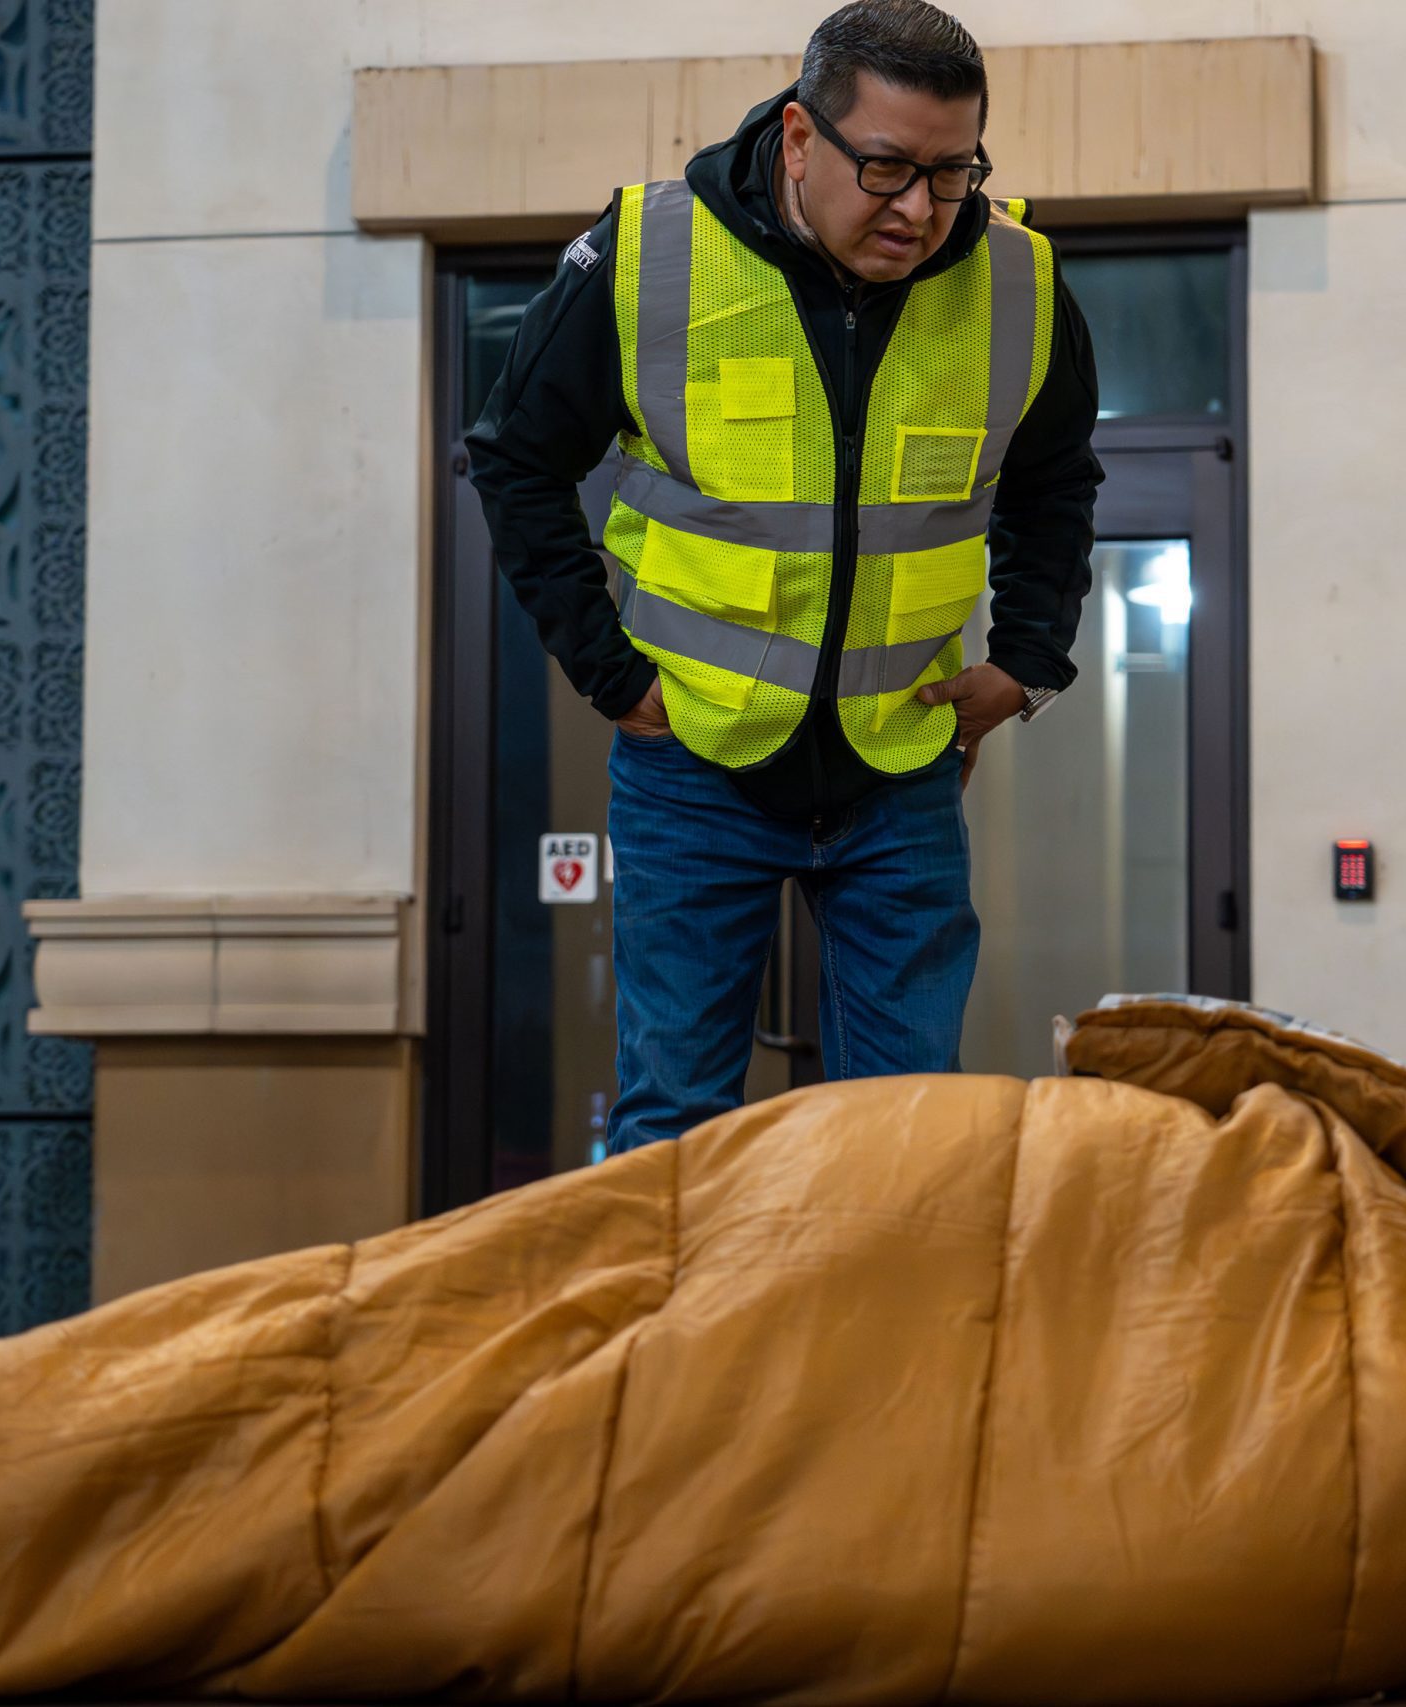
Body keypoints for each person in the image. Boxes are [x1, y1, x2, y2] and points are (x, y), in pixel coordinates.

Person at [467, 0, 1102, 1154]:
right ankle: (683, 1341)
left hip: (901, 771)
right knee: (674, 1125)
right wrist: (612, 679)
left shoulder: (1015, 282)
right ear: (802, 140)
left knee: (914, 1131)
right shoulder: (651, 256)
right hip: (691, 761)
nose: (918, 209)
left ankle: (878, 1341)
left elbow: (1057, 484)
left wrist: (1028, 663)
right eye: (887, 168)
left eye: (952, 174)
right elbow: (513, 459)